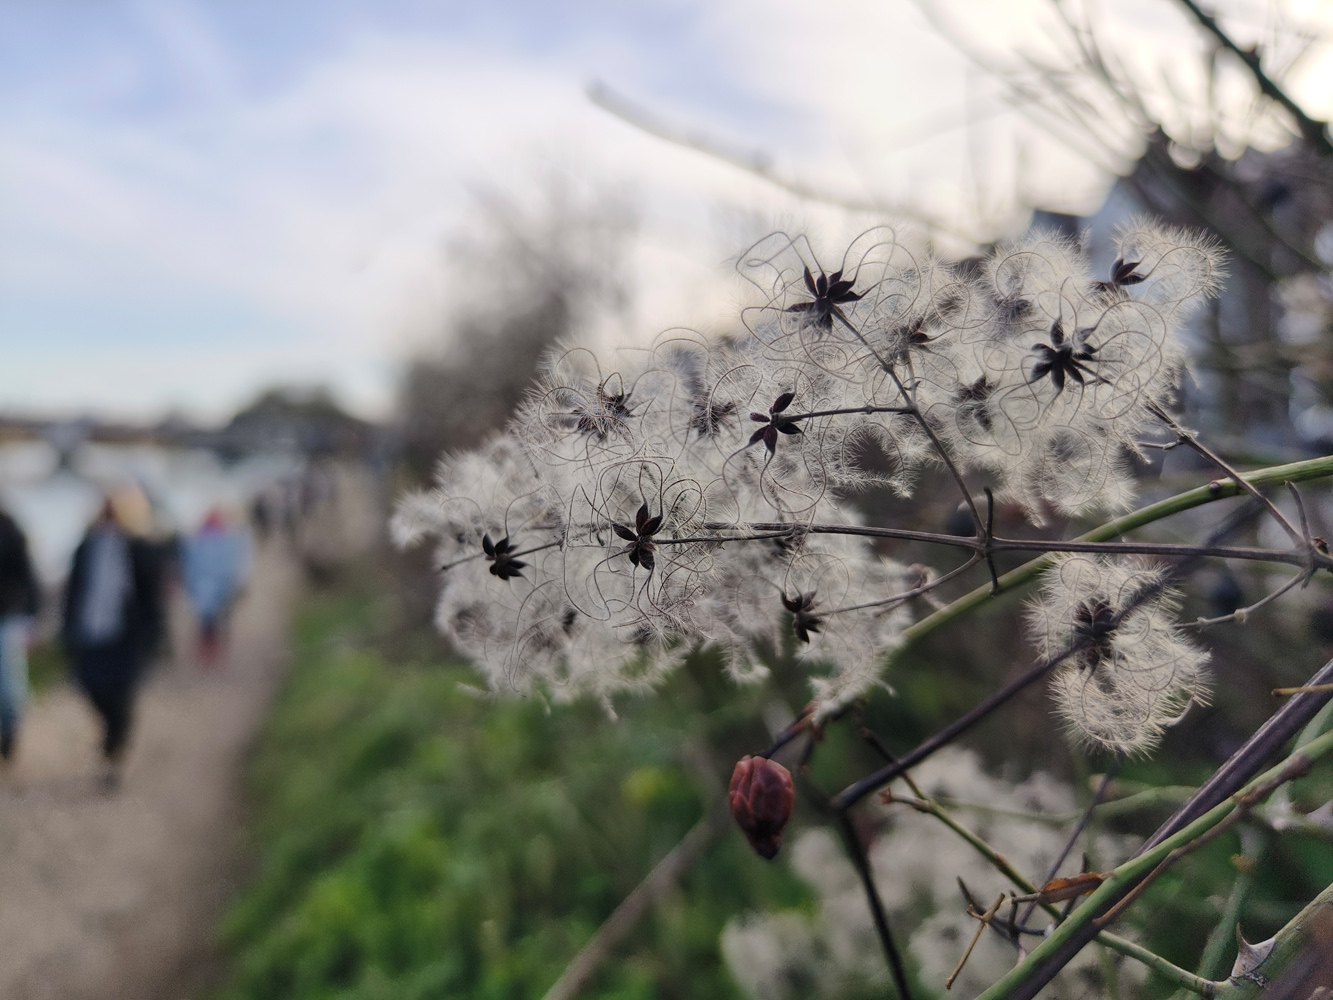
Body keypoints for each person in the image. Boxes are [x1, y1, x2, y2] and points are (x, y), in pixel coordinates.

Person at [62, 489, 166, 789]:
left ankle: (116, 753)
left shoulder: (141, 548)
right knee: (93, 689)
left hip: (125, 637)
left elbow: (152, 597)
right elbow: (73, 591)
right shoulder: (86, 546)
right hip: (91, 633)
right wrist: (67, 631)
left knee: (121, 697)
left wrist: (153, 638)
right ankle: (112, 737)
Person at [182, 507, 250, 666]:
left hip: (210, 589)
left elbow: (190, 566)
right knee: (213, 623)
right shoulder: (223, 541)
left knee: (209, 623)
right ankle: (212, 652)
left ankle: (211, 652)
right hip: (214, 589)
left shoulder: (199, 542)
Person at [0, 506, 39, 762]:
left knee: (9, 685)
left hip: (8, 616)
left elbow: (28, 575)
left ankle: (10, 732)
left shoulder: (10, 529)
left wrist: (31, 618)